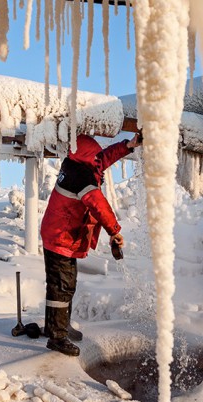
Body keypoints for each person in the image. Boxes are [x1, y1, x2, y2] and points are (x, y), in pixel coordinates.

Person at [40, 133, 142, 356]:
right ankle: (57, 337)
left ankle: (57, 326)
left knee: (64, 284)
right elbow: (98, 205)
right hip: (60, 237)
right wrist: (115, 231)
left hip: (61, 235)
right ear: (86, 155)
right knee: (62, 286)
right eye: (94, 154)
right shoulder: (80, 177)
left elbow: (103, 158)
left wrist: (128, 146)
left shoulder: (79, 163)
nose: (98, 158)